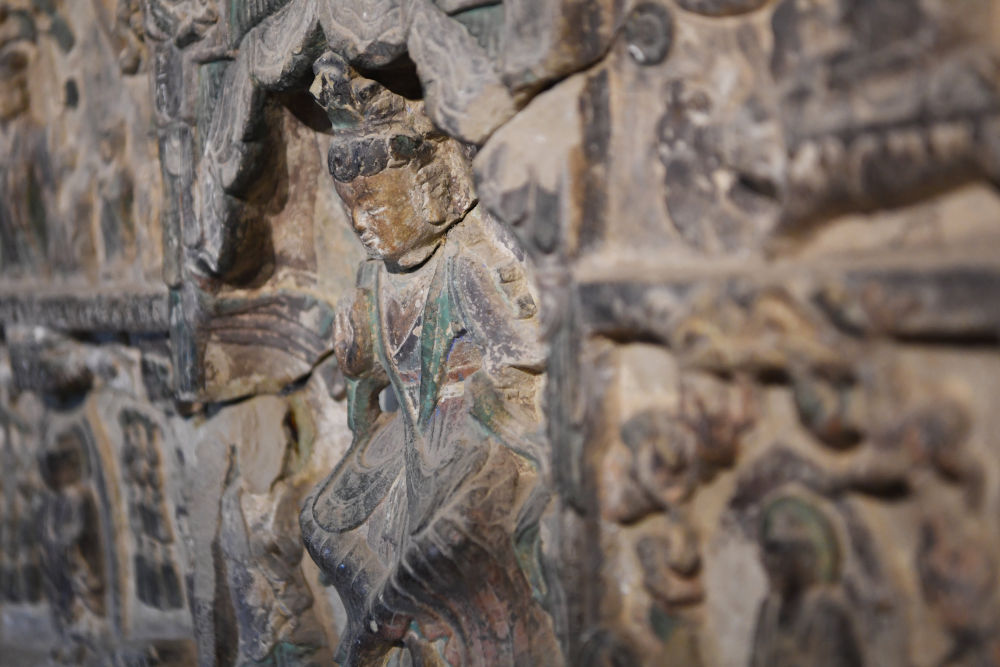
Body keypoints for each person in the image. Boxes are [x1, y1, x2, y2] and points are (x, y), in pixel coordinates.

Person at [300, 56, 559, 666]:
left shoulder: (463, 263)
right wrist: (356, 353)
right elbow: (373, 373)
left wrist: (488, 394)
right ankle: (385, 621)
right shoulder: (377, 277)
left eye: (377, 207)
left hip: (471, 434)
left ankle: (386, 631)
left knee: (439, 547)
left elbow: (524, 350)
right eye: (351, 209)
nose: (362, 224)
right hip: (415, 442)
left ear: (430, 192)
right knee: (322, 519)